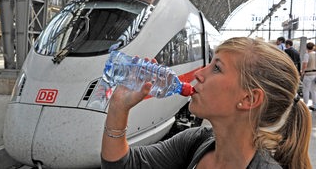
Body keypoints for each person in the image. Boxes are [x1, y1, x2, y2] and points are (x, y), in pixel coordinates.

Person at [101, 37, 312, 169]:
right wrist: (119, 107)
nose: (200, 73)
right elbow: (123, 164)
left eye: (217, 68)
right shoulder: (196, 142)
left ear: (249, 99)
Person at [301, 42, 316, 111]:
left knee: (306, 90)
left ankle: (305, 105)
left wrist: (302, 72)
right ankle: (314, 105)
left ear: (306, 47)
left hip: (308, 74)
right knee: (313, 90)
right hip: (315, 74)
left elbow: (305, 65)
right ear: (313, 47)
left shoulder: (307, 55)